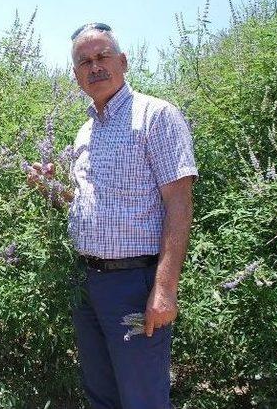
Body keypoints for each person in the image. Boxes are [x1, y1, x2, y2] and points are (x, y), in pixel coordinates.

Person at [27, 23, 198, 409]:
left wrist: (165, 288)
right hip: (87, 282)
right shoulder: (84, 132)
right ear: (76, 76)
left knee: (143, 399)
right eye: (84, 61)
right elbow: (86, 204)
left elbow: (179, 203)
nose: (95, 66)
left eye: (103, 56)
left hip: (134, 285)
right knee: (100, 393)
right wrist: (50, 189)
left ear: (123, 61)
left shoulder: (155, 116)